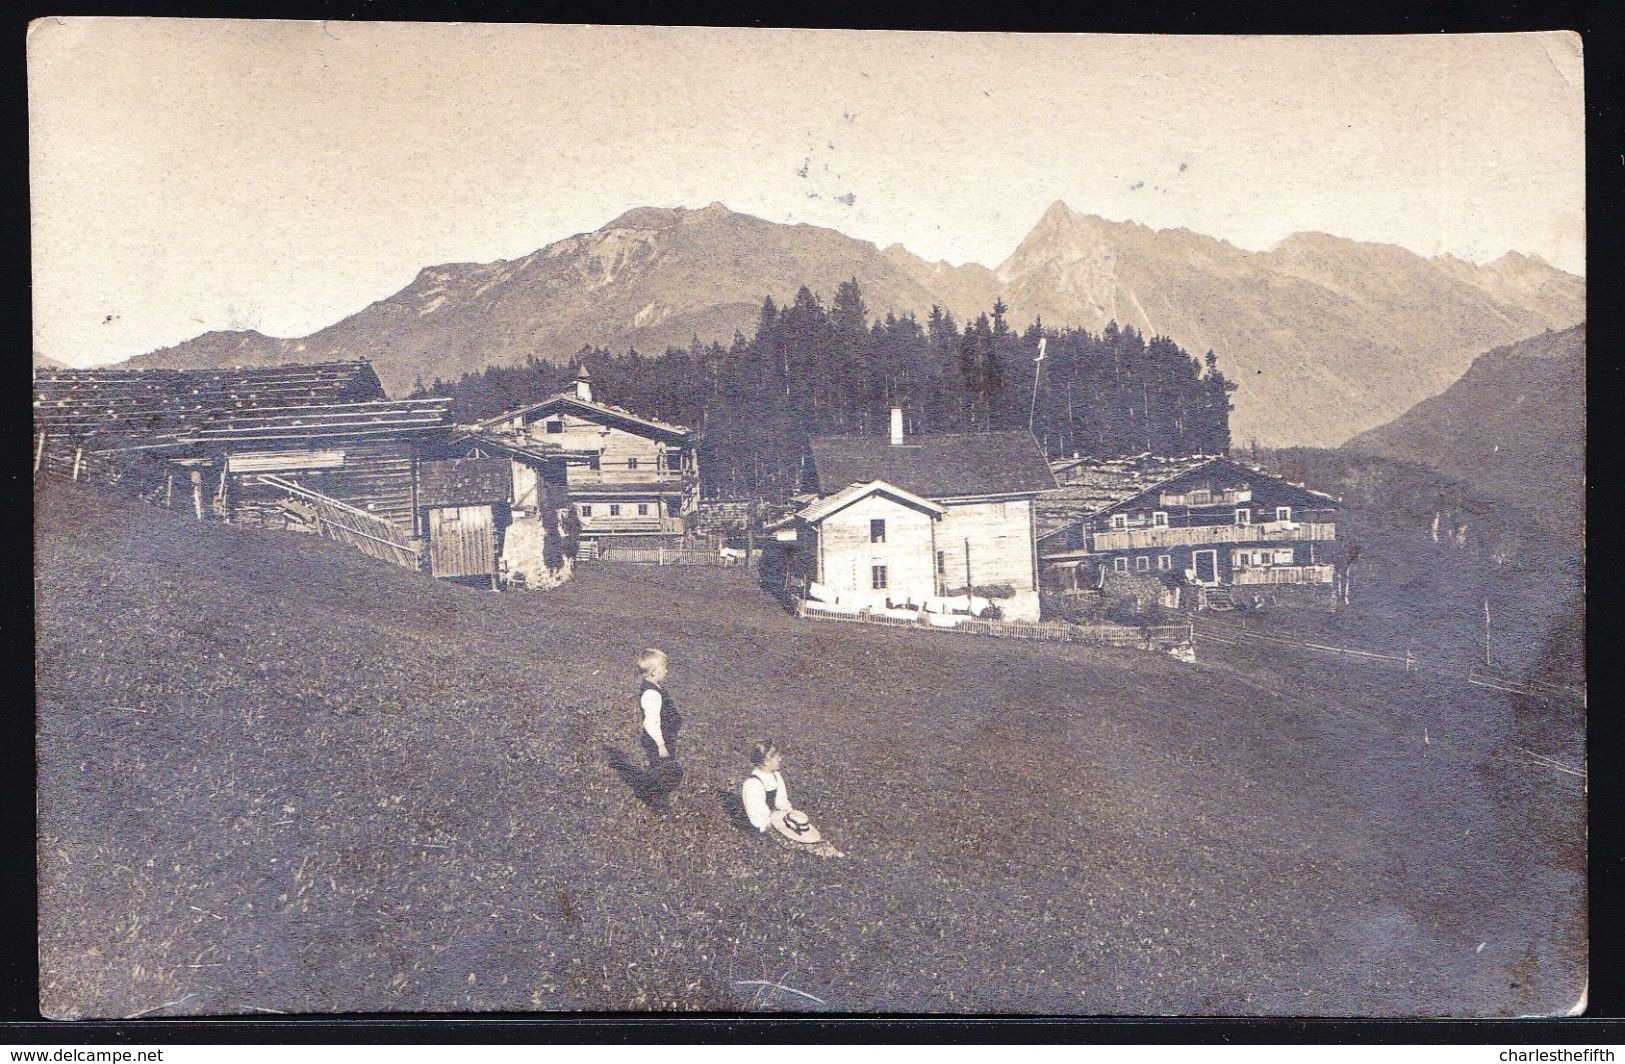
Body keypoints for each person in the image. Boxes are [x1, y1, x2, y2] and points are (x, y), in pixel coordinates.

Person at [741, 740, 844, 858]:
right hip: (767, 828)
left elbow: (782, 801)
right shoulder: (753, 783)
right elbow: (758, 818)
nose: (780, 759)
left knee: (807, 835)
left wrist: (790, 817)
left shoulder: (775, 776)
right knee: (800, 845)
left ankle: (827, 850)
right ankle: (822, 854)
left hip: (781, 820)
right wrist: (779, 829)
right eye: (777, 757)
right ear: (766, 762)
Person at [636, 647, 682, 767]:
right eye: (664, 668)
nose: (666, 671)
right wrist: (661, 745)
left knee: (662, 767)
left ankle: (655, 783)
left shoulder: (656, 688)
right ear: (654, 672)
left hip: (665, 737)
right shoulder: (652, 693)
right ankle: (656, 785)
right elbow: (651, 722)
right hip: (657, 740)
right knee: (662, 768)